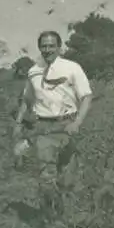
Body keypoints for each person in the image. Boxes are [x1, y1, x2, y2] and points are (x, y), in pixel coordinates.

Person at [13, 30, 93, 216]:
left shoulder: (72, 68)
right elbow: (26, 99)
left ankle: (63, 207)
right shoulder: (33, 71)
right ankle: (51, 217)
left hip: (67, 125)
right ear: (39, 47)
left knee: (67, 174)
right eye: (43, 46)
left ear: (59, 47)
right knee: (46, 175)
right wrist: (18, 123)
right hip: (43, 127)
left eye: (51, 46)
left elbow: (87, 97)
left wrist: (77, 123)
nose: (47, 49)